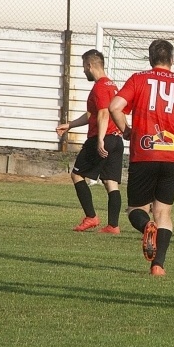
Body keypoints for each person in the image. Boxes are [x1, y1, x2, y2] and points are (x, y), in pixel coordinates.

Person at [109, 39, 174, 277]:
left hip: (144, 154)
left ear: (150, 58)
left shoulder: (138, 79)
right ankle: (158, 265)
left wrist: (127, 131)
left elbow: (114, 107)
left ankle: (146, 226)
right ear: (172, 60)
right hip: (173, 157)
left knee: (135, 209)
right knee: (163, 212)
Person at [56, 49, 124, 234]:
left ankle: (91, 217)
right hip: (116, 139)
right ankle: (113, 225)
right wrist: (70, 125)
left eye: (84, 66)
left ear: (89, 65)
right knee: (111, 182)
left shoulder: (100, 87)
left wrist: (100, 139)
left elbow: (103, 113)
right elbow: (92, 114)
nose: (83, 70)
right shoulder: (112, 86)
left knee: (77, 175)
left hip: (102, 137)